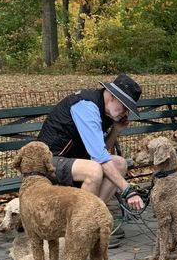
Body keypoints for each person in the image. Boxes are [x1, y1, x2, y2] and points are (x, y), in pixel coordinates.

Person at [37, 74, 144, 246]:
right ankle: (78, 232)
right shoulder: (87, 106)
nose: (125, 112)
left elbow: (103, 152)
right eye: (124, 106)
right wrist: (127, 190)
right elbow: (99, 159)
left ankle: (91, 221)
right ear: (111, 96)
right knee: (93, 171)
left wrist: (115, 130)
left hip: (73, 161)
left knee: (119, 164)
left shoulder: (105, 111)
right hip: (48, 162)